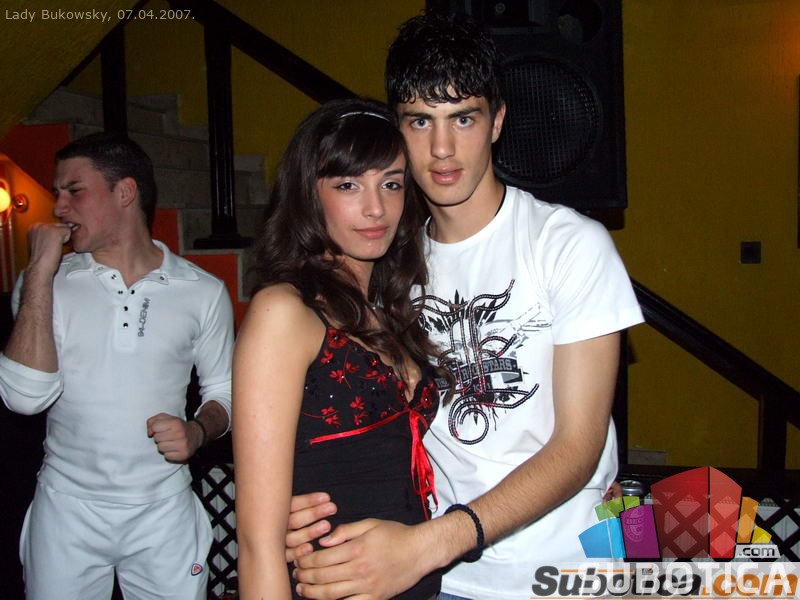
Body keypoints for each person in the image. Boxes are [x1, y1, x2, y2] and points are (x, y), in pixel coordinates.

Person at [286, 12, 645, 600]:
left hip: (560, 573)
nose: (442, 148)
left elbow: (577, 448)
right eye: (420, 121)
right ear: (397, 130)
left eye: (463, 118)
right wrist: (293, 503)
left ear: (497, 121)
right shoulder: (386, 262)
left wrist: (431, 544)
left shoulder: (567, 244)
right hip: (435, 577)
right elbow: (345, 406)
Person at [0, 132, 234, 600]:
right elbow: (25, 398)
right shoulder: (43, 282)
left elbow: (224, 393)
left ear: (125, 192)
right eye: (58, 192)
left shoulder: (203, 291)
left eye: (74, 190)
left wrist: (197, 431)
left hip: (163, 510)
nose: (59, 206)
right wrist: (40, 270)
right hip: (66, 508)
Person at [233, 98, 449, 599]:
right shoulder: (285, 312)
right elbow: (258, 544)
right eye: (349, 185)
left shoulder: (389, 311)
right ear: (309, 194)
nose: (376, 208)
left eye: (391, 183)